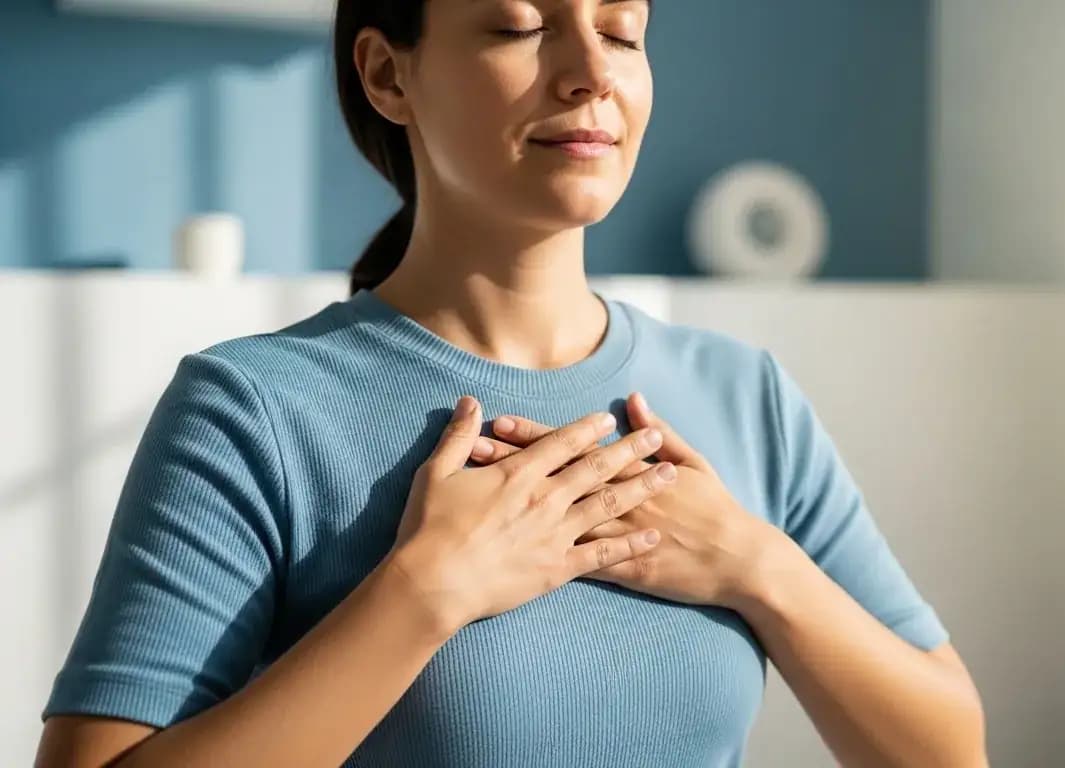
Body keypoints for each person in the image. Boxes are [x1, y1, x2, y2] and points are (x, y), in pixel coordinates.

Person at [34, 1, 986, 765]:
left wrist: (755, 566)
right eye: (521, 26)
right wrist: (423, 594)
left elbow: (948, 750)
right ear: (385, 73)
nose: (591, 72)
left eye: (621, 30)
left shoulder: (748, 397)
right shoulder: (251, 410)